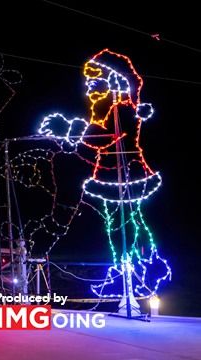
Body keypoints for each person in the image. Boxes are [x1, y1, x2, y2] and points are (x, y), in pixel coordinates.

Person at [39, 50, 171, 311]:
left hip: (128, 173)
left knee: (123, 222)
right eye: (88, 84)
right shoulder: (107, 111)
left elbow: (105, 137)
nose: (89, 88)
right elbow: (95, 142)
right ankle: (135, 270)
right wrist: (70, 137)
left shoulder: (122, 108)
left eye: (95, 82)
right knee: (123, 222)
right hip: (112, 174)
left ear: (114, 81)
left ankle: (137, 270)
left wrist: (69, 129)